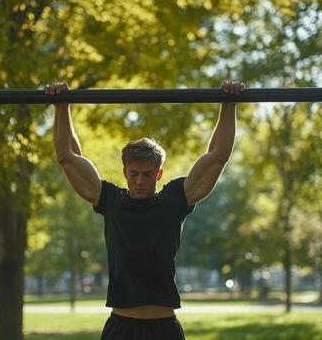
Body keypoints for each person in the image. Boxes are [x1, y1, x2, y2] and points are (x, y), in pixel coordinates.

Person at [45, 80, 244, 339]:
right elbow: (67, 156)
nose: (140, 180)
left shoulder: (174, 200)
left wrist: (228, 104)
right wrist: (62, 107)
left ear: (159, 173)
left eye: (148, 174)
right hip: (121, 327)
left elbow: (218, 155)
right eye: (135, 174)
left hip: (164, 328)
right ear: (125, 172)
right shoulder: (110, 200)